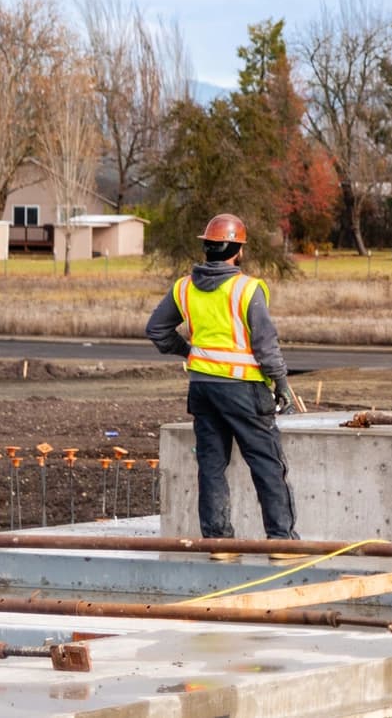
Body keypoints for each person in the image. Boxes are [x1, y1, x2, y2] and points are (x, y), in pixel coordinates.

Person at [146, 213, 300, 549]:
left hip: (203, 390)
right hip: (244, 390)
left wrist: (188, 352)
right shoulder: (248, 289)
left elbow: (156, 330)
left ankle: (218, 544)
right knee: (267, 465)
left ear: (208, 248)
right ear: (238, 250)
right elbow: (265, 345)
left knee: (211, 467)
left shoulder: (184, 287)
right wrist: (282, 384)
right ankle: (282, 543)